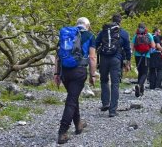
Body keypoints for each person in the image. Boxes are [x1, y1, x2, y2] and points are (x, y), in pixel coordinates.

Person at [54, 17, 96, 145]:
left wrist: (56, 73)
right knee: (71, 100)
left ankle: (78, 125)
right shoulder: (89, 35)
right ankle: (62, 132)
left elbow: (57, 56)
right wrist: (93, 75)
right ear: (87, 25)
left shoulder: (66, 35)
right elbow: (92, 57)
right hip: (79, 71)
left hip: (65, 71)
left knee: (73, 96)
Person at [96, 14, 131, 117]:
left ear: (112, 20)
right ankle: (112, 110)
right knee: (115, 83)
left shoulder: (104, 31)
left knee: (104, 80)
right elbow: (128, 49)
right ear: (120, 21)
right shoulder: (123, 33)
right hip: (116, 59)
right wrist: (128, 61)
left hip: (103, 59)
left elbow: (96, 43)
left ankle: (105, 103)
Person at [131, 22, 155, 97]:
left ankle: (140, 91)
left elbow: (131, 48)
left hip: (137, 56)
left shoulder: (136, 36)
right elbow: (153, 46)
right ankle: (139, 85)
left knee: (140, 72)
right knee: (145, 73)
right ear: (145, 28)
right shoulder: (149, 35)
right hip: (146, 56)